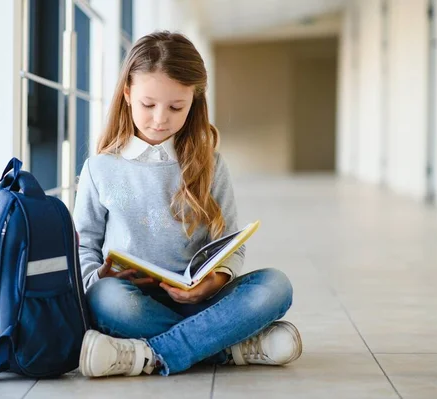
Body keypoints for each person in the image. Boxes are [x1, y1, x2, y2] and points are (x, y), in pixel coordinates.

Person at [73, 31, 302, 378]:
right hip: (133, 301)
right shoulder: (100, 168)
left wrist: (216, 279)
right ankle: (226, 345)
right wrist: (98, 276)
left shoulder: (211, 163)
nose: (160, 118)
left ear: (193, 103)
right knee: (105, 298)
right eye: (148, 105)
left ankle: (148, 354)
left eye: (176, 107)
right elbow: (84, 245)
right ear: (127, 94)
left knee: (276, 285)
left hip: (204, 302)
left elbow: (230, 245)